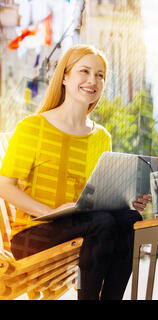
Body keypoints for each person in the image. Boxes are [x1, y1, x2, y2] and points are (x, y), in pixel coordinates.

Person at [0, 44, 150, 300]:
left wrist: (128, 199)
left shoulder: (101, 137)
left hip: (84, 225)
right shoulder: (33, 127)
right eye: (85, 71)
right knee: (102, 223)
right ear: (65, 77)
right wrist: (50, 212)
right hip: (34, 233)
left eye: (100, 75)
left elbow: (98, 196)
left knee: (130, 219)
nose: (93, 80)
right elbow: (4, 186)